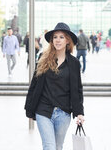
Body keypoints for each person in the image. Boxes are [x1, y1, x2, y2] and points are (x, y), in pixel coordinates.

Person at [25, 22, 84, 150]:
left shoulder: (74, 63)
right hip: (43, 110)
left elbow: (77, 89)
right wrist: (29, 108)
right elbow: (34, 84)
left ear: (68, 40)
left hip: (63, 113)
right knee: (49, 146)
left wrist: (79, 112)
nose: (57, 40)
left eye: (61, 37)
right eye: (55, 37)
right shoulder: (43, 58)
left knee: (58, 146)